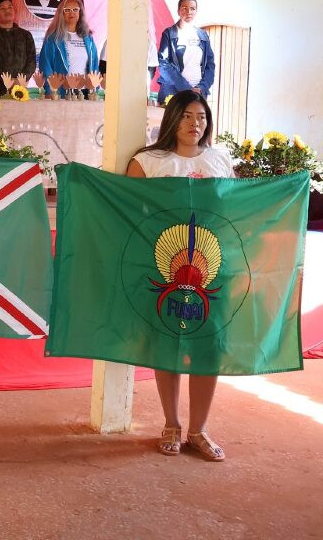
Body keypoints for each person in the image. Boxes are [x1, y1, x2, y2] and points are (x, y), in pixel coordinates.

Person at [125, 89, 232, 462]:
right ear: (172, 119)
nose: (195, 123)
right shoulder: (150, 161)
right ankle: (170, 423)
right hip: (163, 266)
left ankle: (198, 429)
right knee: (168, 342)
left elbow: (231, 212)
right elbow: (128, 213)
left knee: (209, 347)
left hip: (212, 267)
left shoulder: (220, 161)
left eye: (201, 116)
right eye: (186, 116)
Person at [157, 0, 216, 103]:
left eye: (192, 8)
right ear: (178, 11)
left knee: (195, 120)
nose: (189, 11)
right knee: (172, 120)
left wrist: (202, 87)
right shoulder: (169, 33)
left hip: (198, 93)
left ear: (196, 11)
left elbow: (210, 65)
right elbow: (163, 64)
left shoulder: (202, 35)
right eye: (184, 8)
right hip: (173, 91)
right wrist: (186, 88)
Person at [38, 0, 99, 96]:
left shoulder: (88, 38)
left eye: (75, 9)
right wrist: (50, 90)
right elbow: (46, 66)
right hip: (62, 91)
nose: (72, 13)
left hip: (85, 92)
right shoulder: (53, 38)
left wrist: (95, 87)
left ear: (80, 13)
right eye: (67, 10)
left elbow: (95, 65)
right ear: (61, 14)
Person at [0, 0, 36, 92]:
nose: (7, 11)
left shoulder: (26, 35)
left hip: (20, 87)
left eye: (10, 7)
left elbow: (31, 62)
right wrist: (7, 80)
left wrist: (20, 80)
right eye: (2, 8)